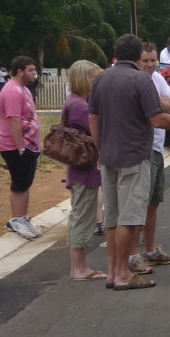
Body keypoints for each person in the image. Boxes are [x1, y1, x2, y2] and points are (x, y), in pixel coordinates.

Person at [89, 34, 170, 290]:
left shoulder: (101, 79)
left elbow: (93, 119)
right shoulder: (140, 80)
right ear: (137, 56)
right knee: (130, 217)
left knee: (113, 217)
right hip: (134, 155)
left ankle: (114, 271)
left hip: (108, 155)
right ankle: (123, 273)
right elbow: (158, 120)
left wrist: (100, 149)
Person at [133, 42, 170, 270]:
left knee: (153, 202)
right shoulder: (135, 81)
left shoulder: (157, 79)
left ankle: (150, 248)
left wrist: (160, 104)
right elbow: (156, 111)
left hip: (157, 147)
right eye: (145, 60)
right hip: (141, 150)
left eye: (153, 60)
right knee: (138, 204)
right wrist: (163, 104)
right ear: (137, 60)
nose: (150, 65)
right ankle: (133, 254)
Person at [63, 60, 106, 280]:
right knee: (82, 217)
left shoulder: (74, 102)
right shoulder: (80, 106)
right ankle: (78, 268)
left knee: (79, 215)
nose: (97, 82)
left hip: (79, 170)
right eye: (94, 78)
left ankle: (78, 267)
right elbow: (99, 129)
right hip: (84, 171)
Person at [0, 56, 42, 240]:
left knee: (25, 183)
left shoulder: (23, 89)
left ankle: (23, 218)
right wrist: (20, 148)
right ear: (20, 71)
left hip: (29, 145)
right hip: (15, 146)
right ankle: (15, 220)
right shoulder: (12, 91)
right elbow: (13, 120)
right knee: (18, 185)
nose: (34, 73)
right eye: (30, 70)